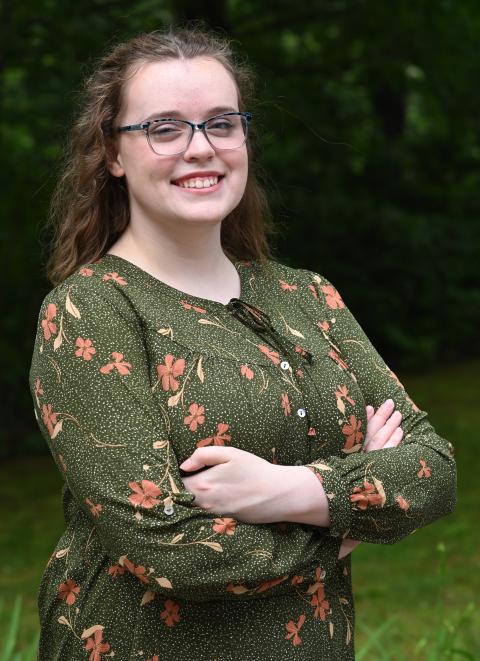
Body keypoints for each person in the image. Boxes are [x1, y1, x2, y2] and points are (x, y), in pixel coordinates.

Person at [29, 26, 456, 660]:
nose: (200, 148)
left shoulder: (308, 295)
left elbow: (433, 470)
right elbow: (169, 547)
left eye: (221, 123)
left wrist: (291, 492)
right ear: (113, 153)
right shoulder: (89, 311)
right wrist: (352, 522)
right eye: (165, 128)